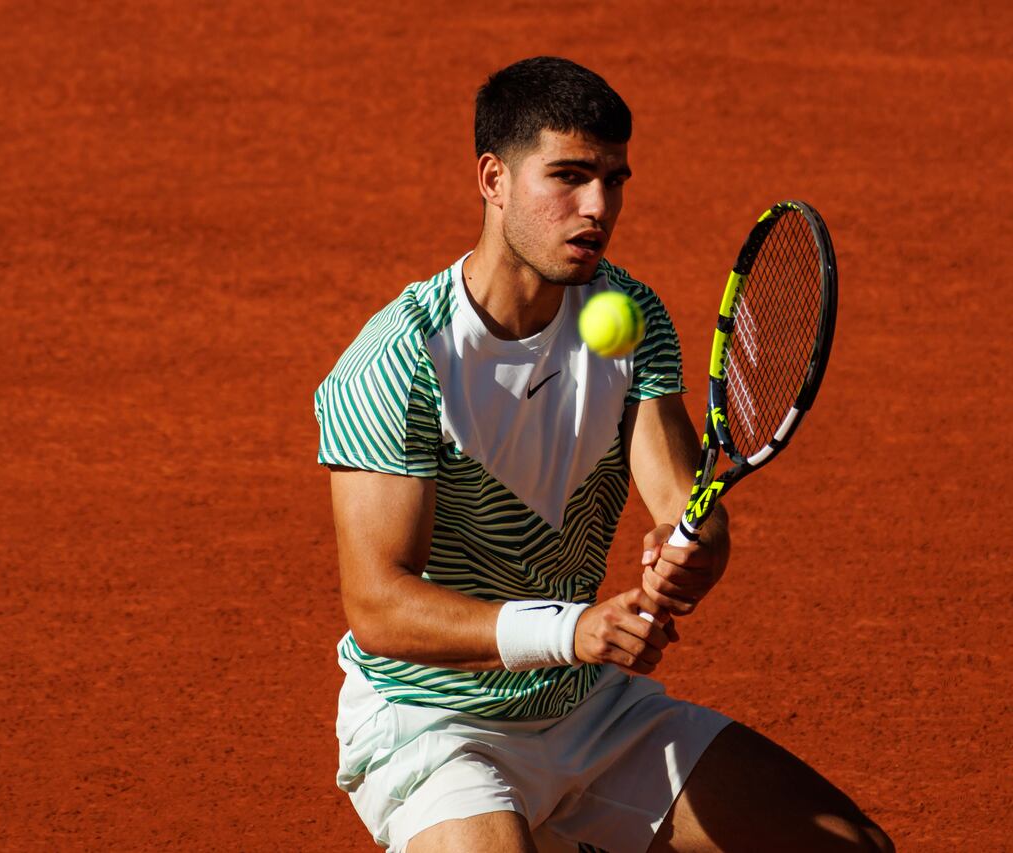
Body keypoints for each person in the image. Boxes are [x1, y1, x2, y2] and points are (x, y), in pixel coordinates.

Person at [315, 56, 893, 853]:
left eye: (614, 180)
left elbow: (687, 504)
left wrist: (692, 548)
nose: (598, 207)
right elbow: (377, 605)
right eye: (570, 176)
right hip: (436, 722)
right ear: (494, 179)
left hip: (587, 710)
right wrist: (569, 629)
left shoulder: (629, 314)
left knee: (848, 846)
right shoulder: (402, 361)